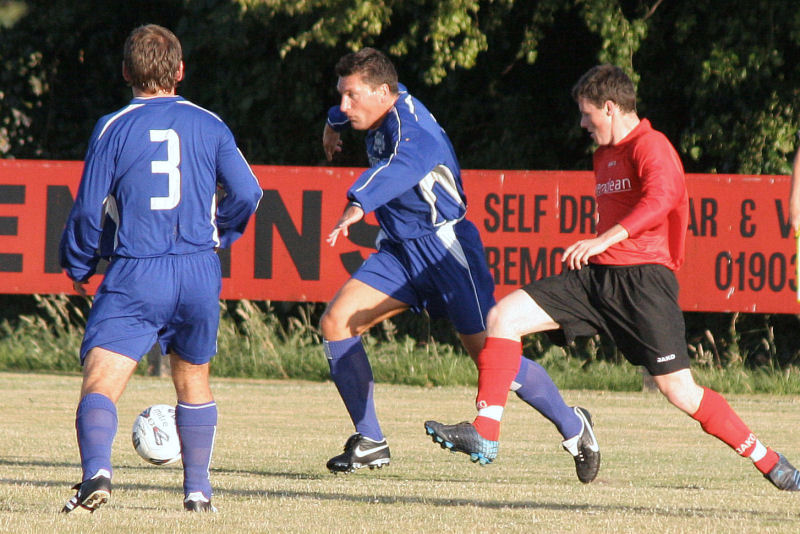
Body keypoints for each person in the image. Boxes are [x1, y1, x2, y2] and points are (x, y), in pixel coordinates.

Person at [424, 64, 800, 491]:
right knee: (502, 319)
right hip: (597, 277)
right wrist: (602, 248)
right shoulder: (603, 154)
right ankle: (486, 431)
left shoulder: (651, 145)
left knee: (680, 392)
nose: (582, 123)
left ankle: (769, 460)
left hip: (644, 284)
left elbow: (662, 200)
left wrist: (604, 239)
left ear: (609, 107)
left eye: (587, 114)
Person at [320, 47, 600, 482]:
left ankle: (573, 425)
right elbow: (345, 113)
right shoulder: (376, 105)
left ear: (382, 93)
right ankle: (370, 439)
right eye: (341, 96)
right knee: (336, 322)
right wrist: (332, 125)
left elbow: (401, 166)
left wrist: (359, 202)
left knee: (491, 359)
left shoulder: (413, 129)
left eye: (351, 97)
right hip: (400, 251)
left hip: (447, 250)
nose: (344, 105)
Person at [58, 24, 262, 513]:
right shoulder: (210, 124)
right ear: (181, 71)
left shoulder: (113, 126)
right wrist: (221, 234)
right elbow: (250, 192)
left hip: (138, 269)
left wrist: (80, 261)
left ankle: (97, 475)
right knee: (193, 379)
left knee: (101, 380)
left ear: (126, 71)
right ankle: (197, 492)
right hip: (197, 269)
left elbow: (89, 210)